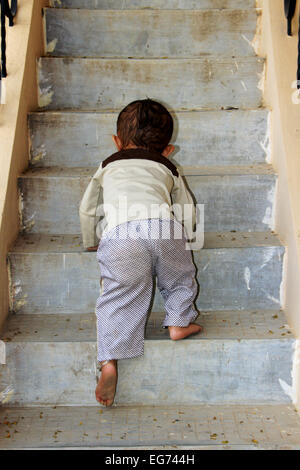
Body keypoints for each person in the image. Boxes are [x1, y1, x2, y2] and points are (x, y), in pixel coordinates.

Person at [79, 99, 202, 407]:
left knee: (117, 294)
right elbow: (186, 208)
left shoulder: (108, 164)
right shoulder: (168, 166)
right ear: (168, 149)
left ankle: (109, 360)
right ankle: (178, 322)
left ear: (117, 142)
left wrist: (90, 239)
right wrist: (186, 236)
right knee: (180, 278)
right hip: (163, 227)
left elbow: (87, 208)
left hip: (121, 233)